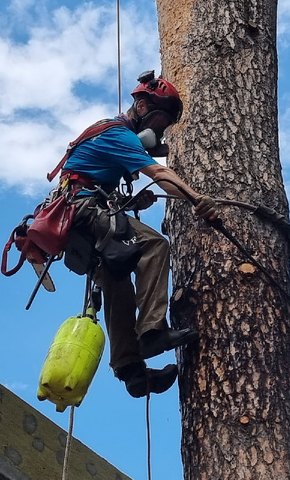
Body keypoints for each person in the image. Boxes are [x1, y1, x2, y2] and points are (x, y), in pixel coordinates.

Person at [53, 71, 217, 398]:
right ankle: (153, 331)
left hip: (79, 219)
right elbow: (158, 171)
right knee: (154, 245)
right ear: (141, 106)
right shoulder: (119, 134)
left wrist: (128, 202)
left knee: (116, 281)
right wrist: (196, 199)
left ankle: (131, 371)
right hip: (85, 211)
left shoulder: (109, 134)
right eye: (159, 122)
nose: (159, 131)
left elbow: (95, 181)